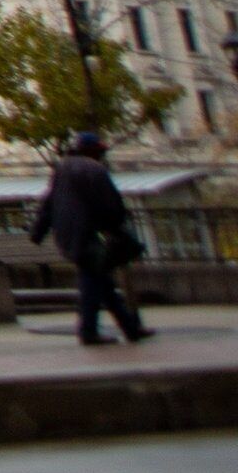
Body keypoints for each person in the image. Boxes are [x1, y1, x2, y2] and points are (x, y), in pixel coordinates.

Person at [31, 130, 152, 345]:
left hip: (67, 234)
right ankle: (89, 332)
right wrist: (117, 230)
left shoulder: (61, 169)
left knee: (102, 281)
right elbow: (111, 206)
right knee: (93, 281)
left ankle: (131, 328)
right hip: (87, 236)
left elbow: (48, 204)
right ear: (94, 152)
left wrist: (38, 232)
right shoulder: (95, 170)